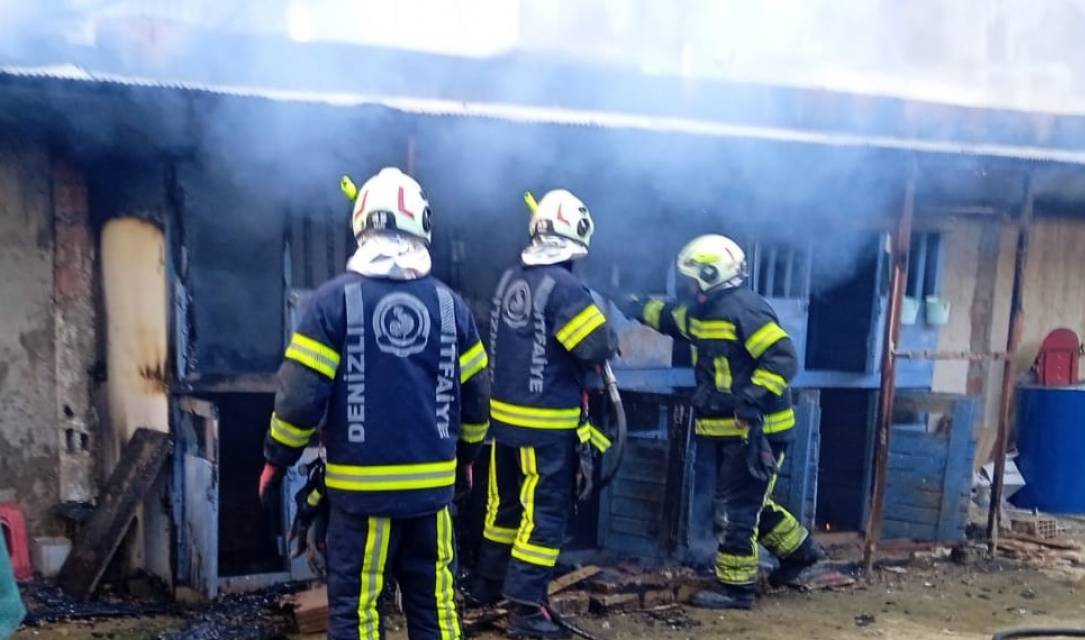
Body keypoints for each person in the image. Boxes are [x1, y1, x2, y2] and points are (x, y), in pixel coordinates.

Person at [258, 167, 490, 640]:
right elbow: (476, 403)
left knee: (358, 614)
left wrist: (275, 461)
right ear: (423, 226)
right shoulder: (452, 307)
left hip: (361, 504)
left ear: (361, 225)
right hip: (432, 501)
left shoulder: (331, 303)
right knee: (437, 610)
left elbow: (300, 402)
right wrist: (465, 460)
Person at [630, 234, 823, 610]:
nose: (687, 285)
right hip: (725, 431)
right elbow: (669, 318)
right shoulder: (704, 313)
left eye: (691, 277)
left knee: (737, 511)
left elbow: (782, 359)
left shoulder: (745, 310)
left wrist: (752, 398)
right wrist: (630, 303)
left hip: (757, 432)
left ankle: (736, 588)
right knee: (751, 503)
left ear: (710, 273)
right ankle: (801, 552)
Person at [471, 189, 618, 638]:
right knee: (543, 517)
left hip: (503, 425)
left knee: (503, 510)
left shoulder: (511, 277)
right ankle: (525, 608)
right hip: (547, 428)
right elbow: (597, 345)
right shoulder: (567, 288)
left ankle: (487, 586)